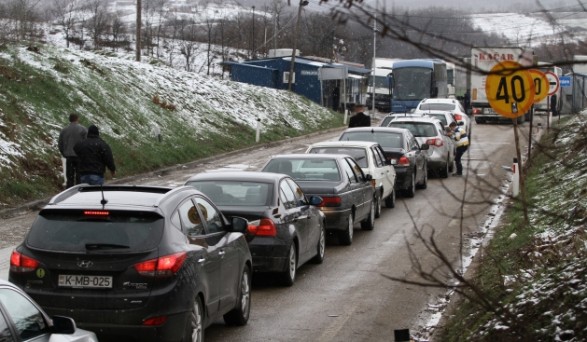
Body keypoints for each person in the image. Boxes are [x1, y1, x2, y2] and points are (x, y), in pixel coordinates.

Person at [58, 113, 87, 188]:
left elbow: (60, 143)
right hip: (79, 156)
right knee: (79, 176)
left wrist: (64, 153)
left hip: (69, 156)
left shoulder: (64, 130)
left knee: (70, 176)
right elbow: (86, 143)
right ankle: (78, 190)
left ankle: (70, 190)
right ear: (77, 119)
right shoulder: (83, 129)